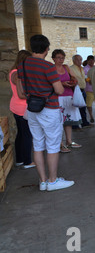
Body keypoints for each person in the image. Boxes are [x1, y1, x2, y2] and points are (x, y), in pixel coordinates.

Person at [17, 34, 74, 191]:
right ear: (47, 49)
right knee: (53, 146)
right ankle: (53, 181)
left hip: (32, 110)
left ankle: (43, 181)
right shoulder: (48, 67)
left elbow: (21, 92)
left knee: (38, 144)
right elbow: (59, 89)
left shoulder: (22, 66)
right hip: (49, 109)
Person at [52, 49, 82, 153]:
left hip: (69, 96)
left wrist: (73, 82)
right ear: (53, 59)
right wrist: (61, 83)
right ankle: (60, 143)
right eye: (58, 58)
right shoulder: (51, 69)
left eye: (62, 58)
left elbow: (74, 77)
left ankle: (69, 141)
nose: (61, 60)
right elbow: (50, 82)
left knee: (68, 121)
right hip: (58, 97)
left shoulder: (66, 67)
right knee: (58, 121)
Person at [9, 50, 35, 169]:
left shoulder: (13, 72)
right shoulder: (18, 74)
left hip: (16, 106)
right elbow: (22, 93)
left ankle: (19, 159)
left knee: (20, 134)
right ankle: (27, 161)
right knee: (27, 134)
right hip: (22, 107)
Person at [70, 54, 92, 128]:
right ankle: (75, 125)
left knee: (83, 107)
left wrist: (89, 80)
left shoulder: (82, 68)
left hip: (82, 90)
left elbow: (85, 77)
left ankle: (84, 122)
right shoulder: (71, 68)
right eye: (78, 60)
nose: (80, 61)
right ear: (74, 60)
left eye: (81, 60)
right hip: (75, 90)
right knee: (75, 108)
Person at [83, 55, 95, 123]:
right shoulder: (85, 68)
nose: (91, 61)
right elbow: (84, 77)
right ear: (87, 61)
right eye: (90, 60)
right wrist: (89, 80)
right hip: (89, 89)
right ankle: (91, 116)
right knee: (89, 104)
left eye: (92, 60)